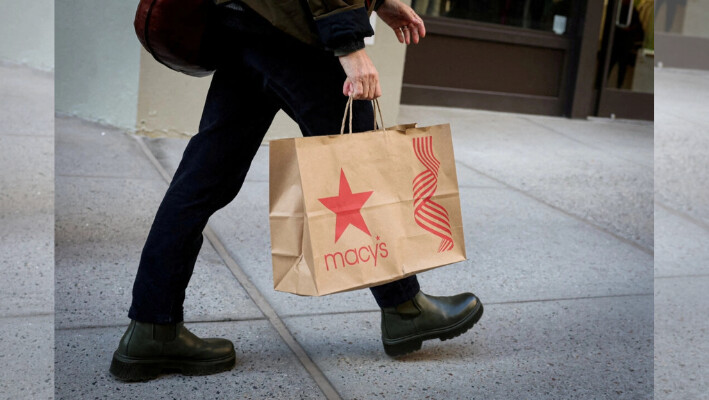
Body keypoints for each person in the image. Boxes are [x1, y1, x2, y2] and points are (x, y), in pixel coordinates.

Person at [110, 0, 483, 382]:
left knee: (200, 181)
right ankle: (406, 310)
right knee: (361, 164)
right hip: (295, 31)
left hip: (243, 22)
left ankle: (151, 328)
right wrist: (349, 45)